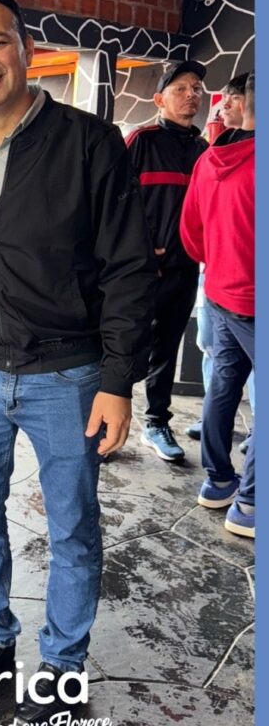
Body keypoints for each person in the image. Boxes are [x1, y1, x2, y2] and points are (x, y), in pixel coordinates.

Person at [0, 0, 155, 725]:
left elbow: (129, 269)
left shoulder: (89, 144)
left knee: (71, 525)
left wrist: (118, 381)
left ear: (26, 49)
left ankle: (60, 664)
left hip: (67, 375)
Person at [180, 72, 255, 539]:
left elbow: (192, 233)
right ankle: (250, 503)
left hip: (221, 292)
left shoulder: (211, 158)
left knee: (224, 385)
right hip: (247, 297)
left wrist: (221, 264)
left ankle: (218, 480)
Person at [125, 61, 208, 463]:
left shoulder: (205, 150)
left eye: (196, 88)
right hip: (140, 270)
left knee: (167, 346)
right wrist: (140, 250)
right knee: (125, 344)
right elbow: (114, 203)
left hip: (185, 268)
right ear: (159, 99)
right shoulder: (141, 140)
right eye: (180, 88)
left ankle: (156, 421)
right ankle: (108, 424)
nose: (191, 94)